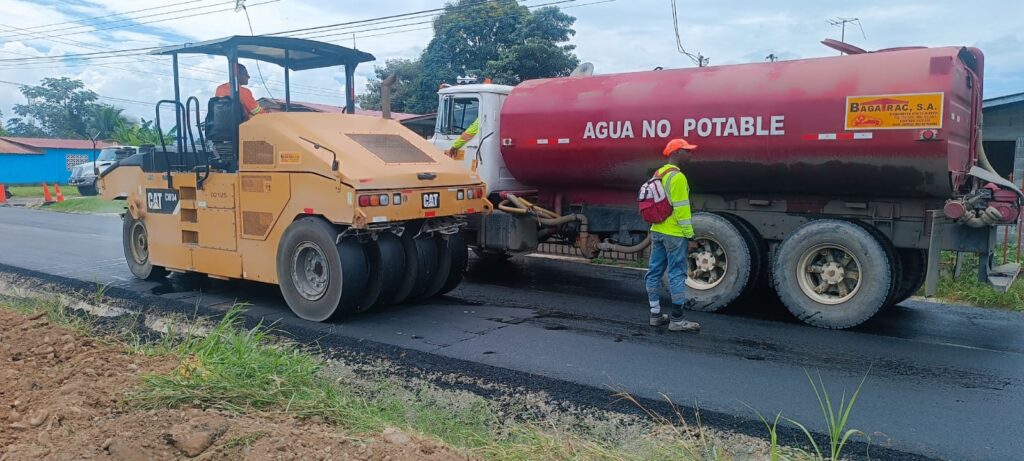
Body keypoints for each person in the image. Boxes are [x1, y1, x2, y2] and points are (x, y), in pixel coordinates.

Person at [646, 138, 701, 332]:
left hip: (657, 231)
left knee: (654, 272)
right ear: (676, 153)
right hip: (675, 234)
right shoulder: (678, 177)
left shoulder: (658, 173)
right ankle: (677, 320)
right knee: (677, 274)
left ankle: (655, 315)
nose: (690, 154)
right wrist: (690, 235)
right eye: (687, 150)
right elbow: (681, 210)